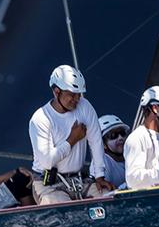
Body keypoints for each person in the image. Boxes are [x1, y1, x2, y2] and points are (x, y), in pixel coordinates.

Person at [28, 65, 113, 204]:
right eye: (72, 94)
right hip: (49, 184)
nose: (77, 99)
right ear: (56, 92)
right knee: (61, 213)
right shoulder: (40, 119)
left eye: (79, 94)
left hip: (78, 179)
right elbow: (47, 161)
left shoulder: (85, 106)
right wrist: (72, 140)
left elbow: (96, 141)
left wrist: (99, 175)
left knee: (108, 199)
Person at [99, 115, 130, 189]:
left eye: (122, 133)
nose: (120, 138)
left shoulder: (133, 154)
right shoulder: (101, 163)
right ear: (103, 144)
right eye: (113, 135)